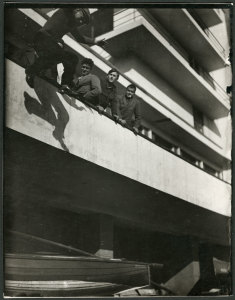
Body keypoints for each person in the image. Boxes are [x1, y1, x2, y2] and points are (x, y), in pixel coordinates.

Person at [25, 8, 106, 88]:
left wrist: (95, 41)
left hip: (52, 45)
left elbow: (80, 38)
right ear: (77, 10)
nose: (80, 22)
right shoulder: (66, 11)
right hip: (42, 38)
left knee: (72, 58)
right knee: (56, 52)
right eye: (81, 18)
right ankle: (31, 71)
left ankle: (66, 83)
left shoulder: (72, 24)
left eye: (83, 22)